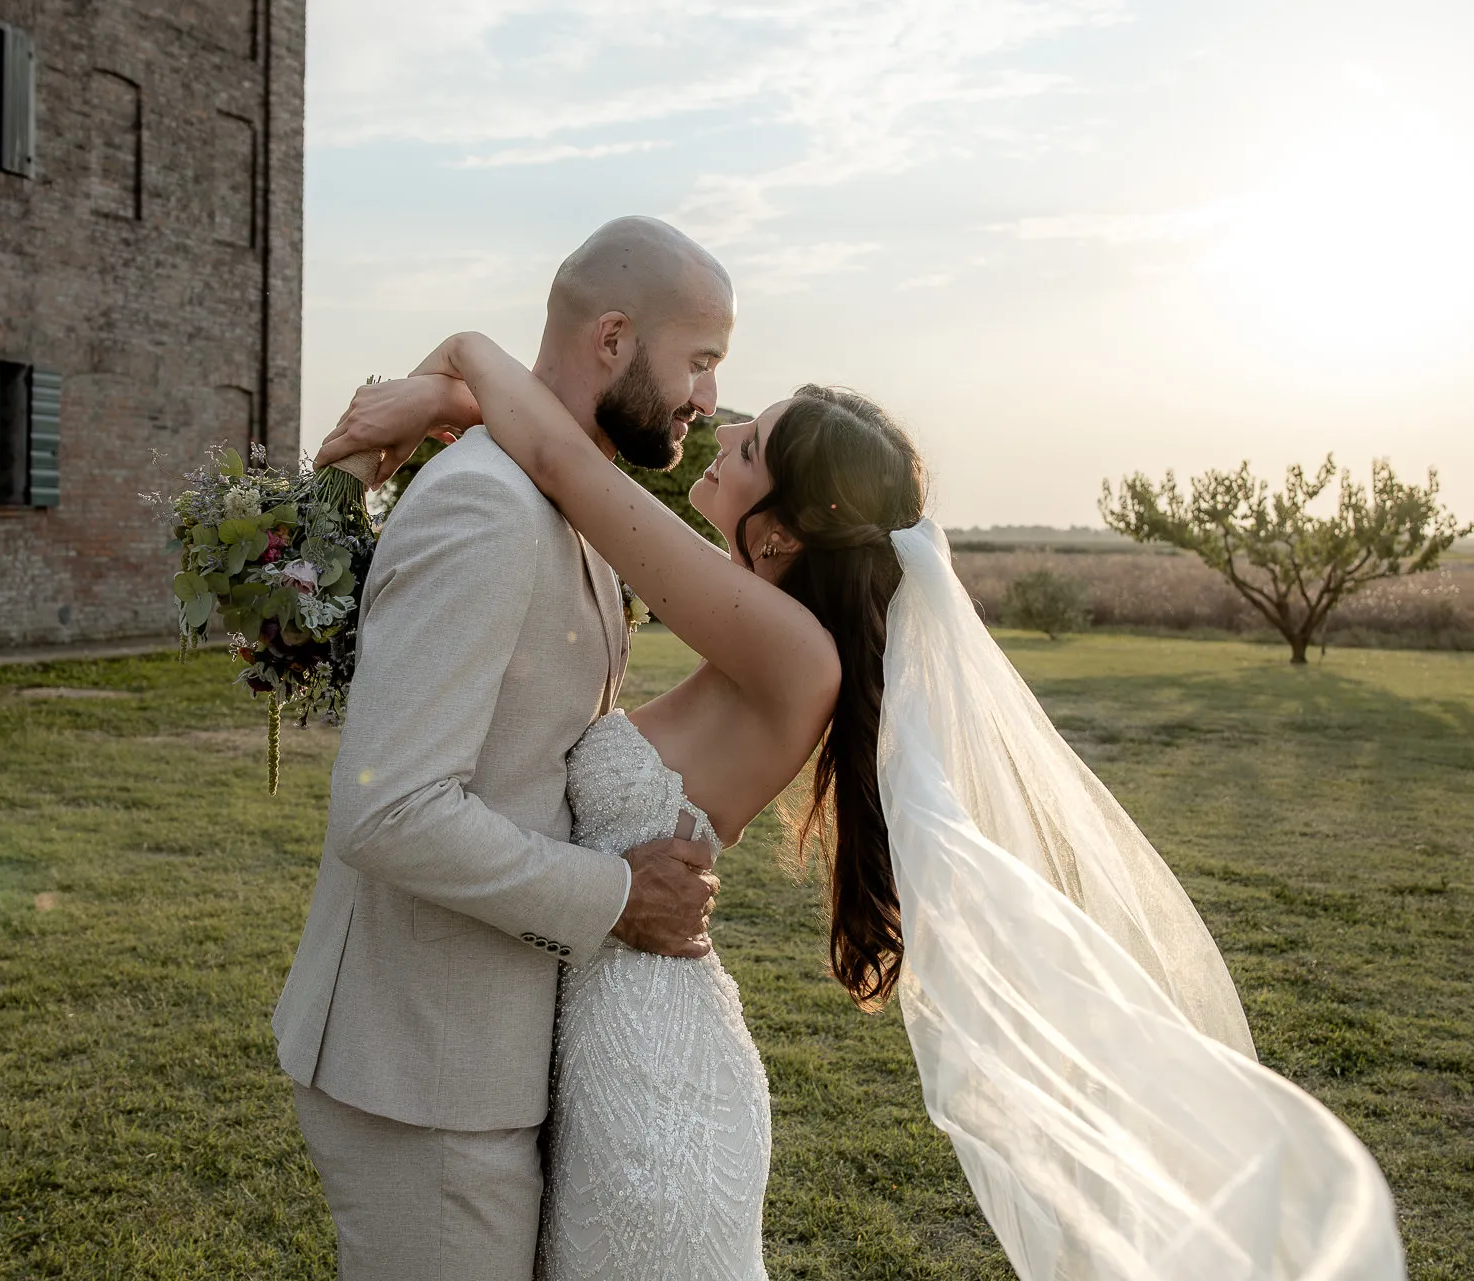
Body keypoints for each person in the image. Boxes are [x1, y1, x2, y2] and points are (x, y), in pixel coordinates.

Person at [318, 327, 1411, 1279]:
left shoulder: (793, 652)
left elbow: (563, 461)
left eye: (747, 447)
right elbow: (566, 475)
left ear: (783, 530)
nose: (719, 428)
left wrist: (457, 361)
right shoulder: (761, 619)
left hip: (649, 1066)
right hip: (604, 1032)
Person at [270, 217, 741, 1281]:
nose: (706, 400)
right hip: (423, 1070)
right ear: (614, 339)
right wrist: (616, 896)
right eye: (700, 362)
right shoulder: (486, 507)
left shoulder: (558, 494)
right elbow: (388, 811)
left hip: (484, 1050)